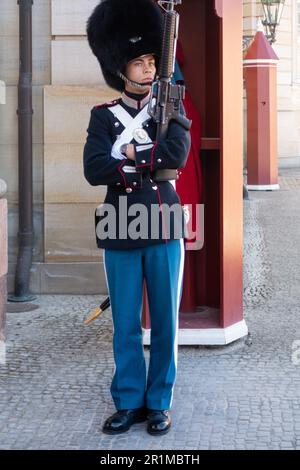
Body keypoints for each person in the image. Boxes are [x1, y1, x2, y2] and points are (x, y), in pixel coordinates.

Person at [84, 0, 191, 436]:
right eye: (138, 62)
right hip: (119, 224)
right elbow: (94, 169)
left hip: (163, 222)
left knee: (164, 321)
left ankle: (159, 401)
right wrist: (149, 160)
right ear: (120, 68)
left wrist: (129, 155)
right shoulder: (102, 116)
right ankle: (128, 401)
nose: (147, 69)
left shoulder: (170, 109)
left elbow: (176, 158)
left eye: (151, 61)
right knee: (125, 322)